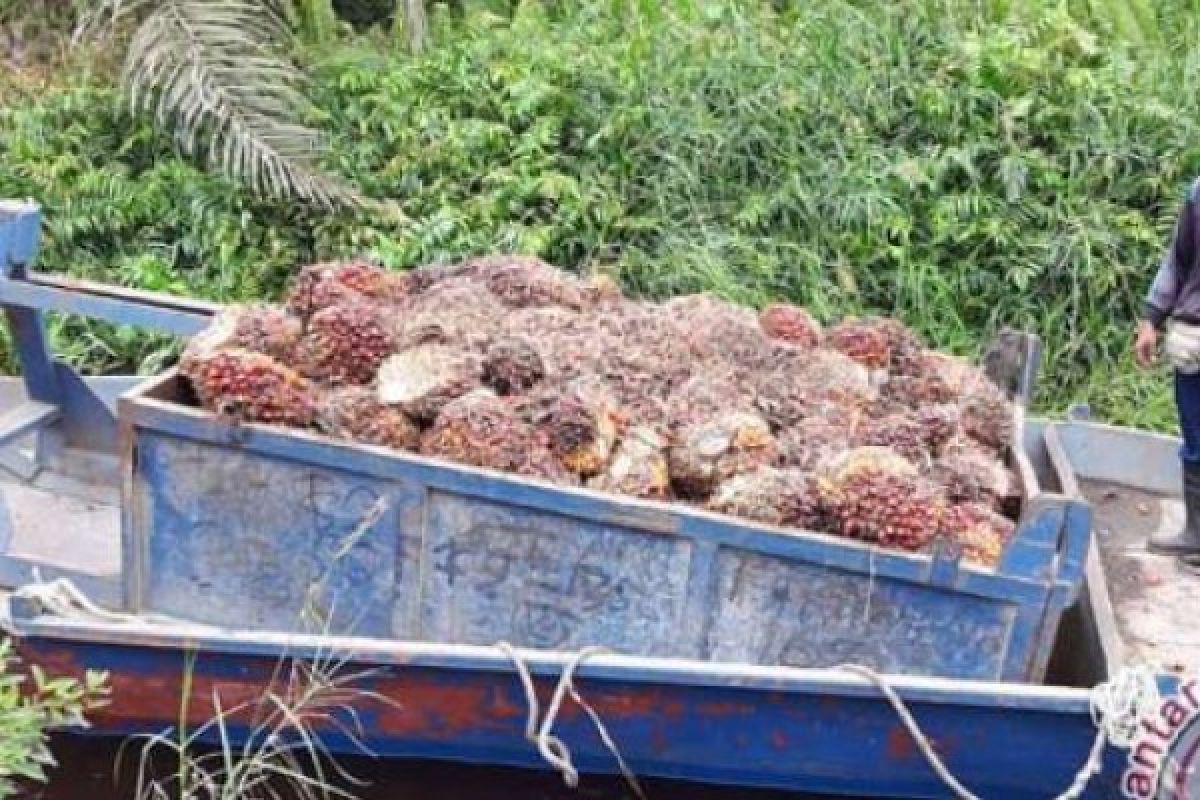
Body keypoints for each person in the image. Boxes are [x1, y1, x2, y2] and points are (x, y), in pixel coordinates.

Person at [1136, 178, 1200, 557]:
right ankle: (1196, 534)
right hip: (1194, 338)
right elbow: (1178, 259)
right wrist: (1151, 319)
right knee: (1195, 436)